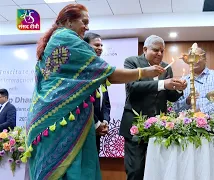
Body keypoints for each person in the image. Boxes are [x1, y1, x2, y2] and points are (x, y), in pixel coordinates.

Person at [24, 4, 165, 180]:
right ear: (68, 21)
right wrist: (143, 72)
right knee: (69, 170)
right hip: (60, 122)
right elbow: (110, 74)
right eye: (84, 22)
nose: (87, 27)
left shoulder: (54, 40)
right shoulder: (68, 39)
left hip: (47, 119)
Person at [120, 35, 187, 180]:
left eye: (162, 51)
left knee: (157, 169)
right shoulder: (132, 62)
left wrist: (179, 88)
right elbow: (132, 87)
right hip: (135, 125)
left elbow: (170, 96)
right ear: (145, 49)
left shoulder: (166, 67)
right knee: (136, 169)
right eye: (156, 50)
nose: (160, 54)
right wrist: (163, 84)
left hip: (158, 127)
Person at [173, 47, 214, 115]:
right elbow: (175, 109)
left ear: (205, 59)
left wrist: (201, 112)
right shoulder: (182, 81)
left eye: (197, 57)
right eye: (191, 57)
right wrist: (187, 101)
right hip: (189, 123)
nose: (194, 60)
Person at [84, 32, 110, 151]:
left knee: (95, 165)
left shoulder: (100, 70)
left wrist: (104, 121)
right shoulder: (82, 70)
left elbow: (106, 102)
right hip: (84, 129)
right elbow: (84, 102)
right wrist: (96, 124)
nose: (100, 48)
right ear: (85, 46)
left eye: (101, 46)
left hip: (98, 129)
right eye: (96, 45)